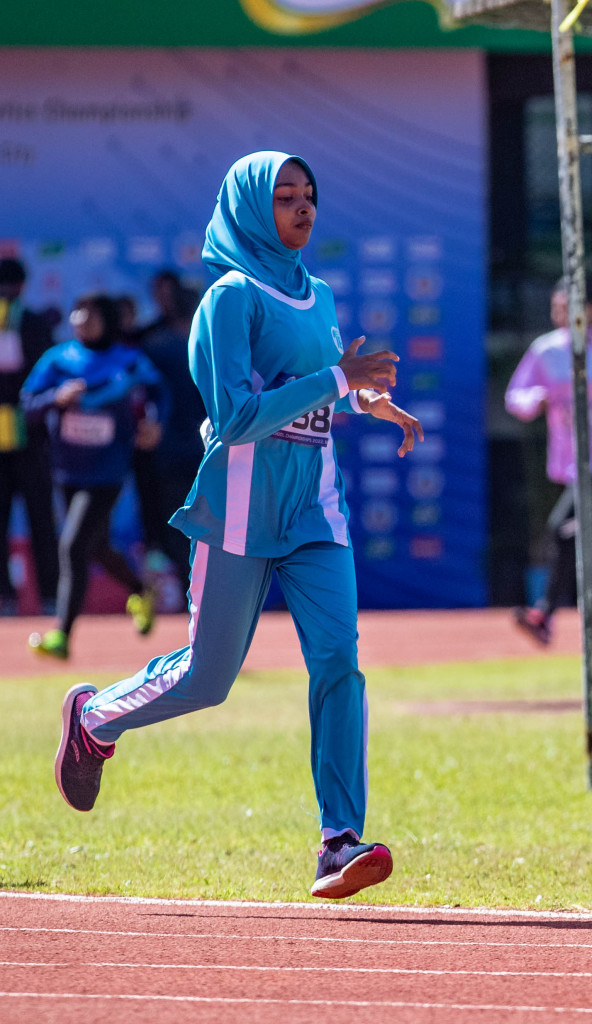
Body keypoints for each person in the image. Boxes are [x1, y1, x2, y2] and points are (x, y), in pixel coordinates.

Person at [52, 151, 422, 900]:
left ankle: (337, 841)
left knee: (338, 661)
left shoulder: (314, 292)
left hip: (315, 507)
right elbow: (240, 417)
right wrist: (339, 381)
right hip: (240, 507)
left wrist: (360, 401)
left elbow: (317, 384)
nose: (301, 206)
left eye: (309, 194)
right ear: (251, 208)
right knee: (206, 679)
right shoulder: (229, 298)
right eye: (284, 196)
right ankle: (94, 718)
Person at [23, 294, 165, 659]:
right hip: (67, 468)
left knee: (72, 544)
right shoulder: (59, 359)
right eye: (77, 313)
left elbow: (160, 392)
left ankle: (62, 635)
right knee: (96, 547)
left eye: (91, 314)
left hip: (109, 469)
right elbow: (29, 404)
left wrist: (154, 422)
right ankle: (140, 589)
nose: (82, 319)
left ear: (108, 320)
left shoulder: (128, 359)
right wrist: (56, 397)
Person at [505, 281, 592, 644]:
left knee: (561, 529)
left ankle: (544, 613)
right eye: (556, 307)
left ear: (590, 310)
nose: (560, 314)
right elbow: (516, 396)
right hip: (569, 460)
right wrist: (533, 399)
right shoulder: (545, 350)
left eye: (567, 307)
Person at [135, 277, 205, 597]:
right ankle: (193, 587)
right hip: (194, 450)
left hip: (183, 451)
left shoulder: (155, 343)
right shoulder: (157, 343)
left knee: (178, 523)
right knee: (188, 523)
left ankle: (193, 586)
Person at [0, 257, 61, 614]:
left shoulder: (33, 322)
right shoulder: (36, 321)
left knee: (31, 519)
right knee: (38, 519)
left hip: (27, 435)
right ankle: (47, 597)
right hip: (29, 437)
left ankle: (20, 598)